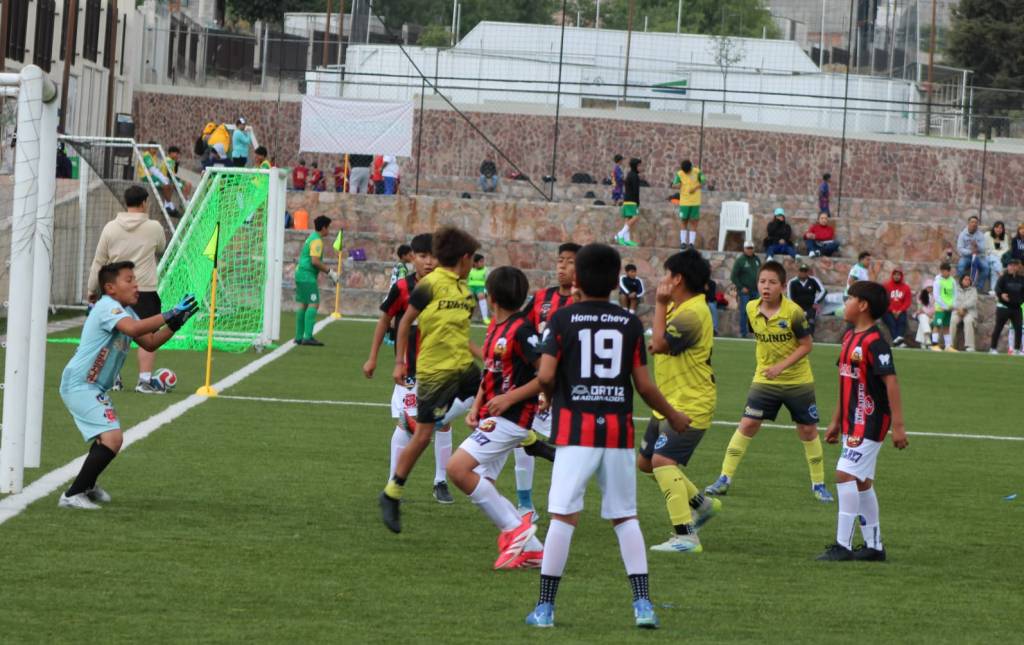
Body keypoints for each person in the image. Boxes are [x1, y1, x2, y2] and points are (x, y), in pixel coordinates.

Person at [524, 243, 689, 629]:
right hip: (617, 434)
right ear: (618, 281)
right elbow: (644, 386)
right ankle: (643, 604)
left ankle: (545, 608)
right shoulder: (629, 324)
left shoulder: (563, 320)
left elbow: (546, 375)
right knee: (625, 517)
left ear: (577, 279)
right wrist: (674, 416)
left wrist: (543, 394)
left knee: (563, 517)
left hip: (575, 432)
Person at [58, 262, 198, 509]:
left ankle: (86, 485)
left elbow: (151, 342)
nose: (136, 285)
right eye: (129, 280)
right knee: (112, 438)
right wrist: (170, 312)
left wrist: (177, 322)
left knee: (107, 438)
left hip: (93, 387)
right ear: (110, 288)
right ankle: (72, 495)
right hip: (80, 384)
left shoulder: (126, 312)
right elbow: (134, 329)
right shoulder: (106, 308)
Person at [380, 227, 483, 533]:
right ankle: (392, 493)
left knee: (498, 393)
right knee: (423, 436)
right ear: (464, 258)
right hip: (434, 373)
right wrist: (399, 361)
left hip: (463, 369)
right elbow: (405, 322)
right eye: (473, 259)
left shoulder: (466, 293)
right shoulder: (430, 285)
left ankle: (532, 444)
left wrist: (483, 355)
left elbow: (460, 336)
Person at [448, 266, 550, 570]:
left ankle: (515, 528)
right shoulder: (495, 326)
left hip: (514, 417)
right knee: (484, 482)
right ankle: (533, 551)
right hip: (494, 416)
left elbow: (546, 375)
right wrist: (476, 406)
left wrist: (509, 398)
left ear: (489, 296)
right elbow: (490, 371)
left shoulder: (522, 330)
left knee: (457, 469)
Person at [705, 261, 833, 503]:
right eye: (762, 281)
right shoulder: (752, 308)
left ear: (783, 286)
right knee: (748, 424)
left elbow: (807, 345)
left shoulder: (794, 312)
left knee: (807, 430)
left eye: (772, 282)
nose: (766, 287)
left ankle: (819, 484)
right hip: (764, 380)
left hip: (798, 381)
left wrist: (781, 367)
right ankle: (724, 478)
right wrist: (769, 368)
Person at [817, 281, 908, 561]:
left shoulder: (875, 342)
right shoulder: (848, 338)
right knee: (862, 481)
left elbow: (890, 381)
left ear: (863, 305)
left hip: (871, 420)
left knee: (844, 474)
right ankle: (874, 546)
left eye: (849, 299)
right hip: (852, 421)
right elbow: (847, 382)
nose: (845, 304)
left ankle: (842, 545)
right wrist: (835, 421)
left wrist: (899, 426)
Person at [638, 250, 721, 554]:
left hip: (690, 402)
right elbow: (662, 342)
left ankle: (686, 536)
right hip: (669, 400)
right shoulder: (682, 307)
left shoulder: (691, 313)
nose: (663, 280)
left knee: (662, 462)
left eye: (666, 273)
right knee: (646, 463)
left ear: (678, 279)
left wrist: (659, 305)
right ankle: (703, 505)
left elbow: (658, 344)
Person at [364, 234, 456, 503]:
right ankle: (393, 483)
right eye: (423, 256)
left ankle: (440, 481)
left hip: (441, 370)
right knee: (405, 425)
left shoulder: (448, 287)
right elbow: (385, 321)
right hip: (410, 371)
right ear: (412, 257)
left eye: (433, 256)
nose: (429, 262)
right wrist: (373, 357)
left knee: (444, 424)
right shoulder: (403, 288)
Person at [516, 242, 581, 518]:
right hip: (537, 382)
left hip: (568, 388)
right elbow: (523, 328)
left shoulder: (586, 302)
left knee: (569, 447)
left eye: (569, 262)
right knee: (521, 438)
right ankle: (525, 503)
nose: (562, 267)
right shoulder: (542, 297)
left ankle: (564, 502)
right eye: (559, 261)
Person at [86, 185, 168, 394]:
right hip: (144, 289)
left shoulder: (110, 228)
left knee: (111, 335)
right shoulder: (154, 227)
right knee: (148, 334)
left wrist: (92, 288)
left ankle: (113, 378)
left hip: (114, 290)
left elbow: (99, 260)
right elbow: (161, 248)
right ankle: (144, 380)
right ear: (144, 203)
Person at [294, 216, 339, 346]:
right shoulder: (317, 241)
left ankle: (298, 337)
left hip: (300, 273)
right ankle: (307, 337)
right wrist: (330, 272)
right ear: (324, 227)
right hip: (307, 275)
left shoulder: (311, 237)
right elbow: (315, 261)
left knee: (303, 304)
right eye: (328, 227)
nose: (329, 230)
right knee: (314, 303)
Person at [990, 258, 1024, 355]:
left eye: (1014, 265)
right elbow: (997, 288)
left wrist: (1020, 300)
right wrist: (1001, 295)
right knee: (998, 328)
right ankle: (993, 348)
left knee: (1018, 329)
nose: (1012, 267)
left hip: (1016, 308)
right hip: (1003, 308)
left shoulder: (1022, 279)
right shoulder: (1003, 278)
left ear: (1017, 267)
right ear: (1008, 266)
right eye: (1010, 265)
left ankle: (1017, 349)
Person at [672, 159, 704, 250]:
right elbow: (674, 184)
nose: (686, 172)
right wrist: (678, 185)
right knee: (684, 221)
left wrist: (695, 188)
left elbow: (703, 181)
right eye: (685, 171)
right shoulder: (679, 173)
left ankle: (691, 243)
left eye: (688, 171)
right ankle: (683, 242)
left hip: (695, 201)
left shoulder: (697, 172)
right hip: (684, 202)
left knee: (694, 222)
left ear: (691, 167)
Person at [731, 241, 761, 338]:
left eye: (751, 248)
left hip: (755, 290)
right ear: (744, 249)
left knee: (756, 312)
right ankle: (743, 333)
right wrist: (741, 287)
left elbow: (761, 273)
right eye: (748, 248)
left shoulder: (757, 260)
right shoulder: (740, 260)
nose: (750, 250)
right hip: (745, 291)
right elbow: (733, 276)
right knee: (744, 311)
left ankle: (755, 332)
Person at [787, 263, 826, 335]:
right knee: (796, 325)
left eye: (805, 271)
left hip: (810, 307)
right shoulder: (792, 282)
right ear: (798, 272)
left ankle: (810, 339)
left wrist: (816, 301)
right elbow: (790, 298)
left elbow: (823, 291)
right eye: (801, 271)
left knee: (810, 323)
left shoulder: (813, 280)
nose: (803, 273)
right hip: (797, 308)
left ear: (808, 272)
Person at [956, 216, 990, 290]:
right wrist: (970, 252)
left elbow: (983, 249)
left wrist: (977, 246)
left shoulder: (980, 235)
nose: (974, 224)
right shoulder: (963, 234)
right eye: (972, 222)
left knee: (986, 268)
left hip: (979, 256)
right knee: (960, 266)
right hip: (966, 256)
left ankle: (979, 288)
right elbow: (960, 249)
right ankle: (961, 286)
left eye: (976, 222)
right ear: (968, 223)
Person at [615, 158, 642, 248]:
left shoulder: (629, 175)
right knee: (636, 217)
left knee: (628, 219)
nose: (641, 167)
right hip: (632, 201)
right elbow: (635, 191)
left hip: (627, 200)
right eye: (639, 165)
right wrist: (637, 202)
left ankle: (626, 240)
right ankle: (620, 234)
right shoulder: (634, 176)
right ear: (635, 166)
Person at [881, 269, 912, 346]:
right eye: (895, 275)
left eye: (898, 275)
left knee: (902, 322)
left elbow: (907, 301)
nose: (896, 277)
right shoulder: (886, 286)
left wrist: (900, 310)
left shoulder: (906, 287)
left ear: (901, 276)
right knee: (892, 323)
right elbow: (884, 300)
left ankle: (897, 341)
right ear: (892, 275)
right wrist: (892, 310)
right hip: (887, 311)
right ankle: (899, 341)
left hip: (900, 311)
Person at [930, 262, 955, 351]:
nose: (943, 273)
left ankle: (948, 346)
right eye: (942, 271)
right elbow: (936, 296)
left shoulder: (952, 281)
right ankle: (934, 344)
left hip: (949, 308)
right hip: (940, 308)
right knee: (937, 324)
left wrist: (953, 304)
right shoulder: (938, 281)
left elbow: (954, 294)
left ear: (949, 271)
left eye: (945, 271)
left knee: (946, 326)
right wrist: (944, 306)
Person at [950, 273, 978, 352]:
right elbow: (953, 301)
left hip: (969, 312)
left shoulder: (973, 290)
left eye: (969, 280)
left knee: (968, 321)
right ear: (961, 280)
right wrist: (959, 309)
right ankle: (950, 344)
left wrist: (963, 308)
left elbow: (973, 301)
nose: (967, 281)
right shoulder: (956, 289)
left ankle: (970, 346)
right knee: (953, 320)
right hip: (957, 311)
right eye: (965, 279)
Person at [985, 221, 1009, 295]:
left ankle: (993, 289)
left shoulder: (1005, 236)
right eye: (997, 227)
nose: (998, 229)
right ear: (994, 228)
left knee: (994, 267)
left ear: (1003, 229)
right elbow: (986, 249)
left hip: (999, 258)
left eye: (1000, 228)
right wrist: (997, 253)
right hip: (988, 256)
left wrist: (997, 253)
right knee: (994, 259)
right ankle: (1000, 274)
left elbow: (1006, 249)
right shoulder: (987, 235)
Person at [468, 253, 490, 324]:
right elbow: (465, 280)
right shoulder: (469, 270)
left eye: (483, 261)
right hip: (470, 287)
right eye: (481, 261)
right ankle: (467, 317)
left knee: (481, 295)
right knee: (468, 296)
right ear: (475, 263)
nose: (483, 263)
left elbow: (488, 281)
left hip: (481, 287)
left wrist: (485, 290)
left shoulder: (485, 270)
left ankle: (485, 318)